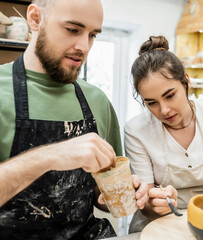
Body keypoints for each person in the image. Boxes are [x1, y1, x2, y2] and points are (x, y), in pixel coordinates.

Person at [0, 0, 148, 239]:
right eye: (72, 29)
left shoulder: (97, 101)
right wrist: (48, 156)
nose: (84, 46)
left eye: (92, 35)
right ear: (36, 18)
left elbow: (100, 192)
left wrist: (111, 195)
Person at [125, 36, 203, 232]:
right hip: (155, 224)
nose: (164, 111)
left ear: (186, 83)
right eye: (151, 103)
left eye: (170, 95)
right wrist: (155, 205)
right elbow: (145, 202)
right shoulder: (136, 130)